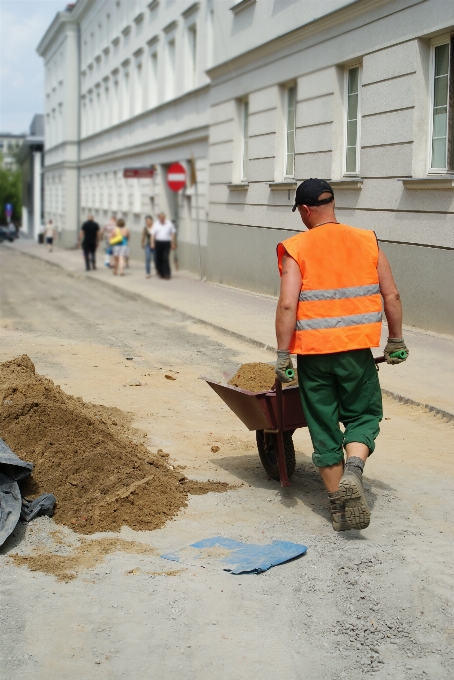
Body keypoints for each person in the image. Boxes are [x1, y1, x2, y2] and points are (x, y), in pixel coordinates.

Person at [275, 178, 409, 532]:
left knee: (323, 425)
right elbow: (391, 296)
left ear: (305, 210)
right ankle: (355, 470)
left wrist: (282, 354)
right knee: (363, 415)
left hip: (315, 356)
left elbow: (288, 303)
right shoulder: (368, 240)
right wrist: (394, 340)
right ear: (333, 204)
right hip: (356, 353)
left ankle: (339, 508)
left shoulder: (296, 247)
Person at [151, 212, 176, 279]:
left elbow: (173, 233)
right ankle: (161, 272)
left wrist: (173, 243)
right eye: (160, 218)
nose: (162, 219)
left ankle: (167, 274)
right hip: (158, 243)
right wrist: (152, 243)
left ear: (164, 217)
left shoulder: (169, 224)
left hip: (166, 243)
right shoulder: (156, 224)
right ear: (159, 218)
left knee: (165, 258)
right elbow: (153, 234)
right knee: (159, 258)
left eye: (163, 217)